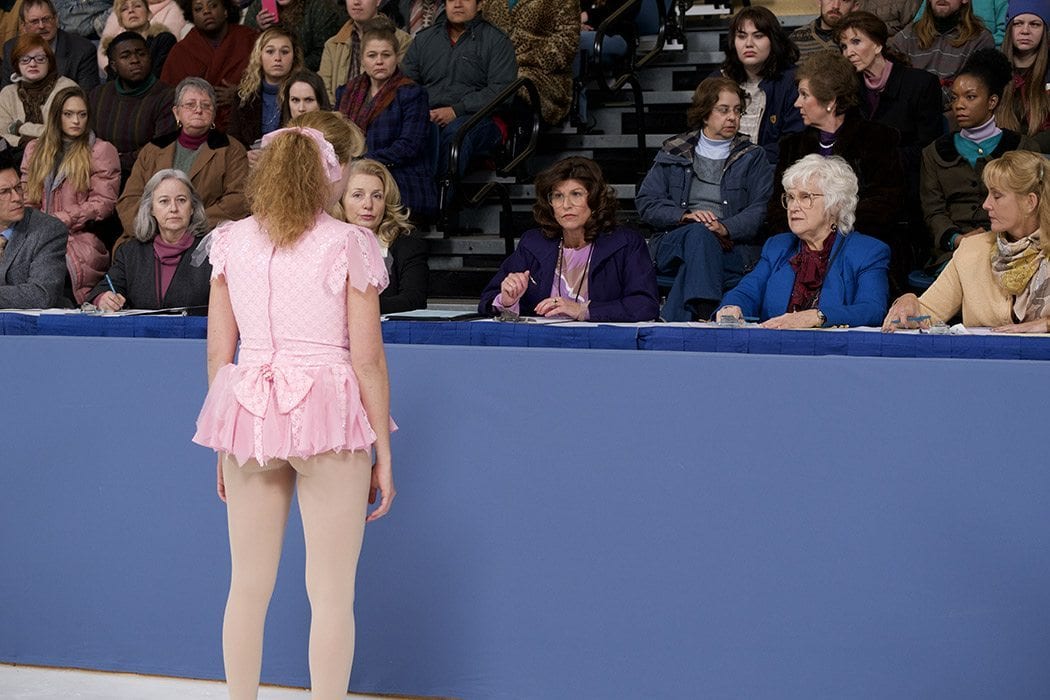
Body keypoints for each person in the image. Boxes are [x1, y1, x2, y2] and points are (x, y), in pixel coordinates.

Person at [192, 125, 395, 698]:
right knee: (331, 593)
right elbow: (368, 360)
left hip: (249, 410)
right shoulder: (349, 242)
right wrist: (383, 451)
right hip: (327, 410)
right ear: (325, 175)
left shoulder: (231, 241)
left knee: (246, 587)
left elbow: (219, 354)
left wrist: (223, 443)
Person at [636, 77, 775, 322]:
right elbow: (647, 202)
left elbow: (760, 209)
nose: (732, 117)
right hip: (675, 241)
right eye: (723, 110)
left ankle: (677, 321)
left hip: (730, 247)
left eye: (737, 110)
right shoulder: (674, 151)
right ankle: (705, 310)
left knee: (696, 257)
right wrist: (684, 217)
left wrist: (724, 227)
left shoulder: (752, 156)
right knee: (699, 234)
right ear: (704, 113)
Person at [717, 154, 891, 327]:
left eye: (805, 197)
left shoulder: (867, 252)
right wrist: (731, 307)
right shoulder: (777, 247)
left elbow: (872, 310)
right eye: (790, 197)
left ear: (836, 204)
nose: (793, 207)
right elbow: (747, 292)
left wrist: (818, 317)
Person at [885, 149, 1050, 330]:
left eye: (997, 196)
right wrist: (908, 301)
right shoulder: (972, 250)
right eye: (987, 194)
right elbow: (926, 314)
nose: (986, 205)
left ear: (1030, 202)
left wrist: (1045, 324)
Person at [479, 156, 659, 321]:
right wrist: (507, 301)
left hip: (600, 341)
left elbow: (645, 305)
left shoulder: (626, 243)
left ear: (595, 200)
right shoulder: (533, 243)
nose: (566, 205)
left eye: (576, 194)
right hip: (543, 340)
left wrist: (583, 310)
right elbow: (488, 300)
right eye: (558, 196)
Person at [767, 51, 905, 258]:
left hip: (858, 247)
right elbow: (778, 208)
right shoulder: (792, 146)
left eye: (804, 95)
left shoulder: (877, 139)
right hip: (800, 247)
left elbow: (885, 204)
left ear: (830, 100)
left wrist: (828, 231)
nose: (797, 103)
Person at [921, 48, 1039, 268]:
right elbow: (933, 211)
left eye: (970, 97)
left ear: (992, 101)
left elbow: (1032, 206)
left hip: (1013, 248)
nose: (959, 105)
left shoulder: (1022, 148)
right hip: (954, 252)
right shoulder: (933, 152)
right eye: (954, 98)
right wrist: (958, 239)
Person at [116, 77, 248, 244]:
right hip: (149, 236)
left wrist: (187, 226)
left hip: (204, 237)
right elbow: (129, 199)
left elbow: (238, 200)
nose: (198, 110)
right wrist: (155, 228)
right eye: (190, 105)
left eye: (206, 105)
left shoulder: (231, 149)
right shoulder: (153, 149)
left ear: (214, 113)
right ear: (176, 112)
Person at [20, 85, 118, 303]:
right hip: (35, 235)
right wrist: (35, 227)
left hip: (78, 238)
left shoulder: (100, 151)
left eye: (82, 115)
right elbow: (25, 198)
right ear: (57, 116)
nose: (76, 121)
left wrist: (58, 221)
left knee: (53, 273)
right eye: (69, 114)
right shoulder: (34, 149)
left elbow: (103, 203)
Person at [402, 0, 517, 180]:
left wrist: (456, 110)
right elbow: (405, 85)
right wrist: (421, 112)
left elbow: (502, 91)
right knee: (407, 130)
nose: (457, 4)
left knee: (456, 135)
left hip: (479, 118)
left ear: (480, 4)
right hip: (429, 115)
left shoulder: (496, 41)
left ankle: (443, 197)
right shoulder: (424, 39)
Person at [339, 17, 435, 218]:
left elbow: (409, 146)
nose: (379, 61)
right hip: (356, 176)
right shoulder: (347, 92)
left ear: (397, 57)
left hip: (400, 176)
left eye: (386, 55)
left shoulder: (412, 93)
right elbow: (339, 139)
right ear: (362, 59)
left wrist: (364, 161)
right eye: (372, 55)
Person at [86, 169, 209, 310]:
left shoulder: (212, 251)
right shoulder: (130, 253)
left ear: (192, 207)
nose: (173, 208)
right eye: (164, 201)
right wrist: (103, 298)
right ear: (151, 209)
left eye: (181, 200)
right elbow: (105, 289)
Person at [714, 6, 803, 164]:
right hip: (722, 168)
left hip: (775, 170)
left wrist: (748, 162)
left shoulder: (792, 82)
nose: (749, 44)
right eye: (741, 36)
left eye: (758, 36)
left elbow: (793, 142)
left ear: (773, 40)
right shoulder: (717, 80)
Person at [341, 158, 427, 313]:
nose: (368, 205)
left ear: (387, 202)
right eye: (358, 195)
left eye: (377, 196)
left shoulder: (407, 243)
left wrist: (356, 309)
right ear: (341, 200)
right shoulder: (325, 242)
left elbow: (414, 300)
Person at [88, 31, 177, 181]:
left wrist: (114, 160)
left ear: (150, 57)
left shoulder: (167, 96)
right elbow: (86, 139)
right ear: (114, 66)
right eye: (125, 56)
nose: (135, 60)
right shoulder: (98, 95)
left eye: (141, 54)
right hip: (98, 174)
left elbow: (159, 148)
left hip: (146, 176)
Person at [159, 0, 257, 130]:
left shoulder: (250, 39)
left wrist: (242, 94)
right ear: (192, 16)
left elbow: (271, 82)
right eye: (198, 9)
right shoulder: (180, 51)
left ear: (226, 10)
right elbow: (169, 98)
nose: (206, 11)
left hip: (247, 123)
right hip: (197, 128)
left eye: (213, 6)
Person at [481, 0, 579, 125]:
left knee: (512, 87)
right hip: (493, 69)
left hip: (541, 74)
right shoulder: (486, 2)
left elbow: (567, 45)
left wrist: (519, 59)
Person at [889, 0, 995, 110]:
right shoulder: (907, 36)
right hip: (908, 112)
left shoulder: (980, 40)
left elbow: (970, 94)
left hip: (954, 115)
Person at [0, 148, 69, 308]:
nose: (17, 198)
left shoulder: (48, 230)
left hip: (37, 322)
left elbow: (42, 294)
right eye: (4, 192)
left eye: (18, 187)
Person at [319, 0, 410, 104]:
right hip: (338, 111)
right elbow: (324, 90)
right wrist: (337, 113)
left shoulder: (401, 40)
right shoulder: (332, 45)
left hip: (384, 110)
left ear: (378, 1)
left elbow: (401, 86)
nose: (356, 2)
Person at [228, 27, 303, 153]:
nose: (277, 58)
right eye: (270, 51)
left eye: (284, 52)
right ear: (259, 56)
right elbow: (233, 138)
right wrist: (245, 155)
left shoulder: (304, 92)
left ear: (294, 57)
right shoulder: (243, 95)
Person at [0, 34, 77, 150]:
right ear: (17, 64)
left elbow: (66, 132)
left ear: (49, 62)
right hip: (13, 155)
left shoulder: (68, 89)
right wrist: (25, 142)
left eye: (40, 59)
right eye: (25, 60)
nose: (32, 64)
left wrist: (20, 128)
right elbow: (2, 135)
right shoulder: (7, 93)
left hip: (61, 153)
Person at [0, 0, 98, 90]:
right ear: (23, 26)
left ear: (56, 20)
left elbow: (85, 96)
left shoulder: (83, 50)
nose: (41, 26)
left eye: (46, 19)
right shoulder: (11, 48)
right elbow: (5, 93)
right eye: (34, 21)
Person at [998, 0, 1050, 151]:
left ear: (1045, 30)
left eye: (1034, 24)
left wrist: (1028, 147)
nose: (1025, 31)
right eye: (1018, 23)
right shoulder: (991, 69)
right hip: (1000, 155)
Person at [243, 0, 343, 72]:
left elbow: (323, 54)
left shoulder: (320, 8)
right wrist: (259, 31)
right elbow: (246, 51)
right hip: (266, 77)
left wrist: (289, 69)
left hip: (306, 78)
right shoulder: (259, 6)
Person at [97, 0, 190, 68]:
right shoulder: (114, 48)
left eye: (137, 6)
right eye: (124, 9)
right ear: (120, 21)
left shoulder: (163, 40)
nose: (131, 10)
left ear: (149, 14)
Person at [790, 0, 860, 55]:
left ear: (855, 6)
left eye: (844, 0)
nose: (835, 6)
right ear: (819, 1)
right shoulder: (796, 39)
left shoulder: (860, 41)